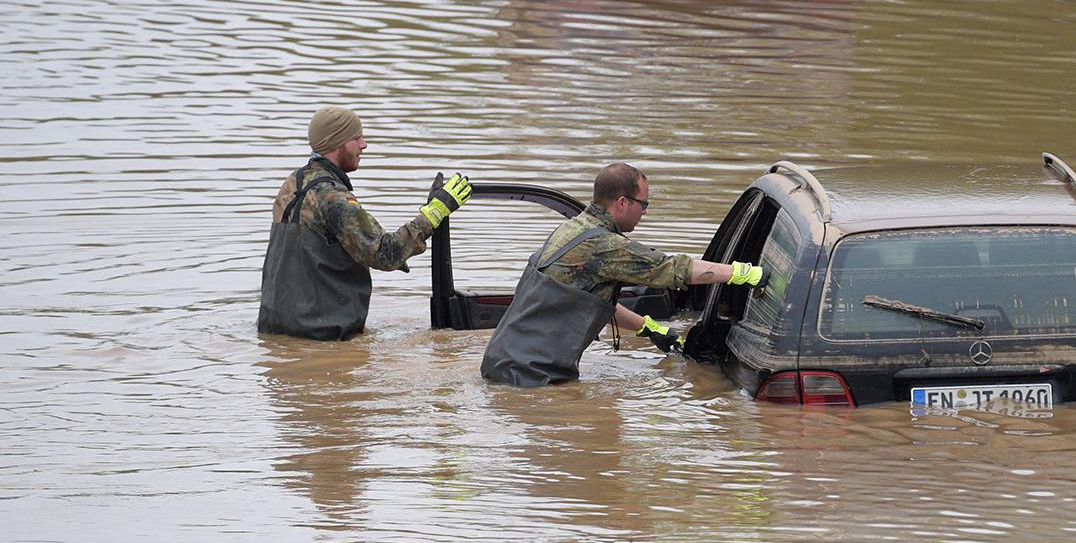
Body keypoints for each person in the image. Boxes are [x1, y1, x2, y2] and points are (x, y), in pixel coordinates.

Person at [481, 162, 766, 387]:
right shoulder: (603, 246)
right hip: (529, 378)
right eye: (643, 204)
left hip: (503, 364)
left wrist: (648, 327)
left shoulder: (573, 229)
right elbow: (671, 268)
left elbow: (586, 301)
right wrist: (741, 273)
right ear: (621, 202)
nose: (644, 213)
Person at [258, 105, 473, 341]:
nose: (364, 144)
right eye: (356, 138)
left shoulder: (293, 184)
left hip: (275, 329)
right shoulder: (333, 198)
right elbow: (385, 253)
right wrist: (435, 212)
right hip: (323, 338)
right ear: (337, 142)